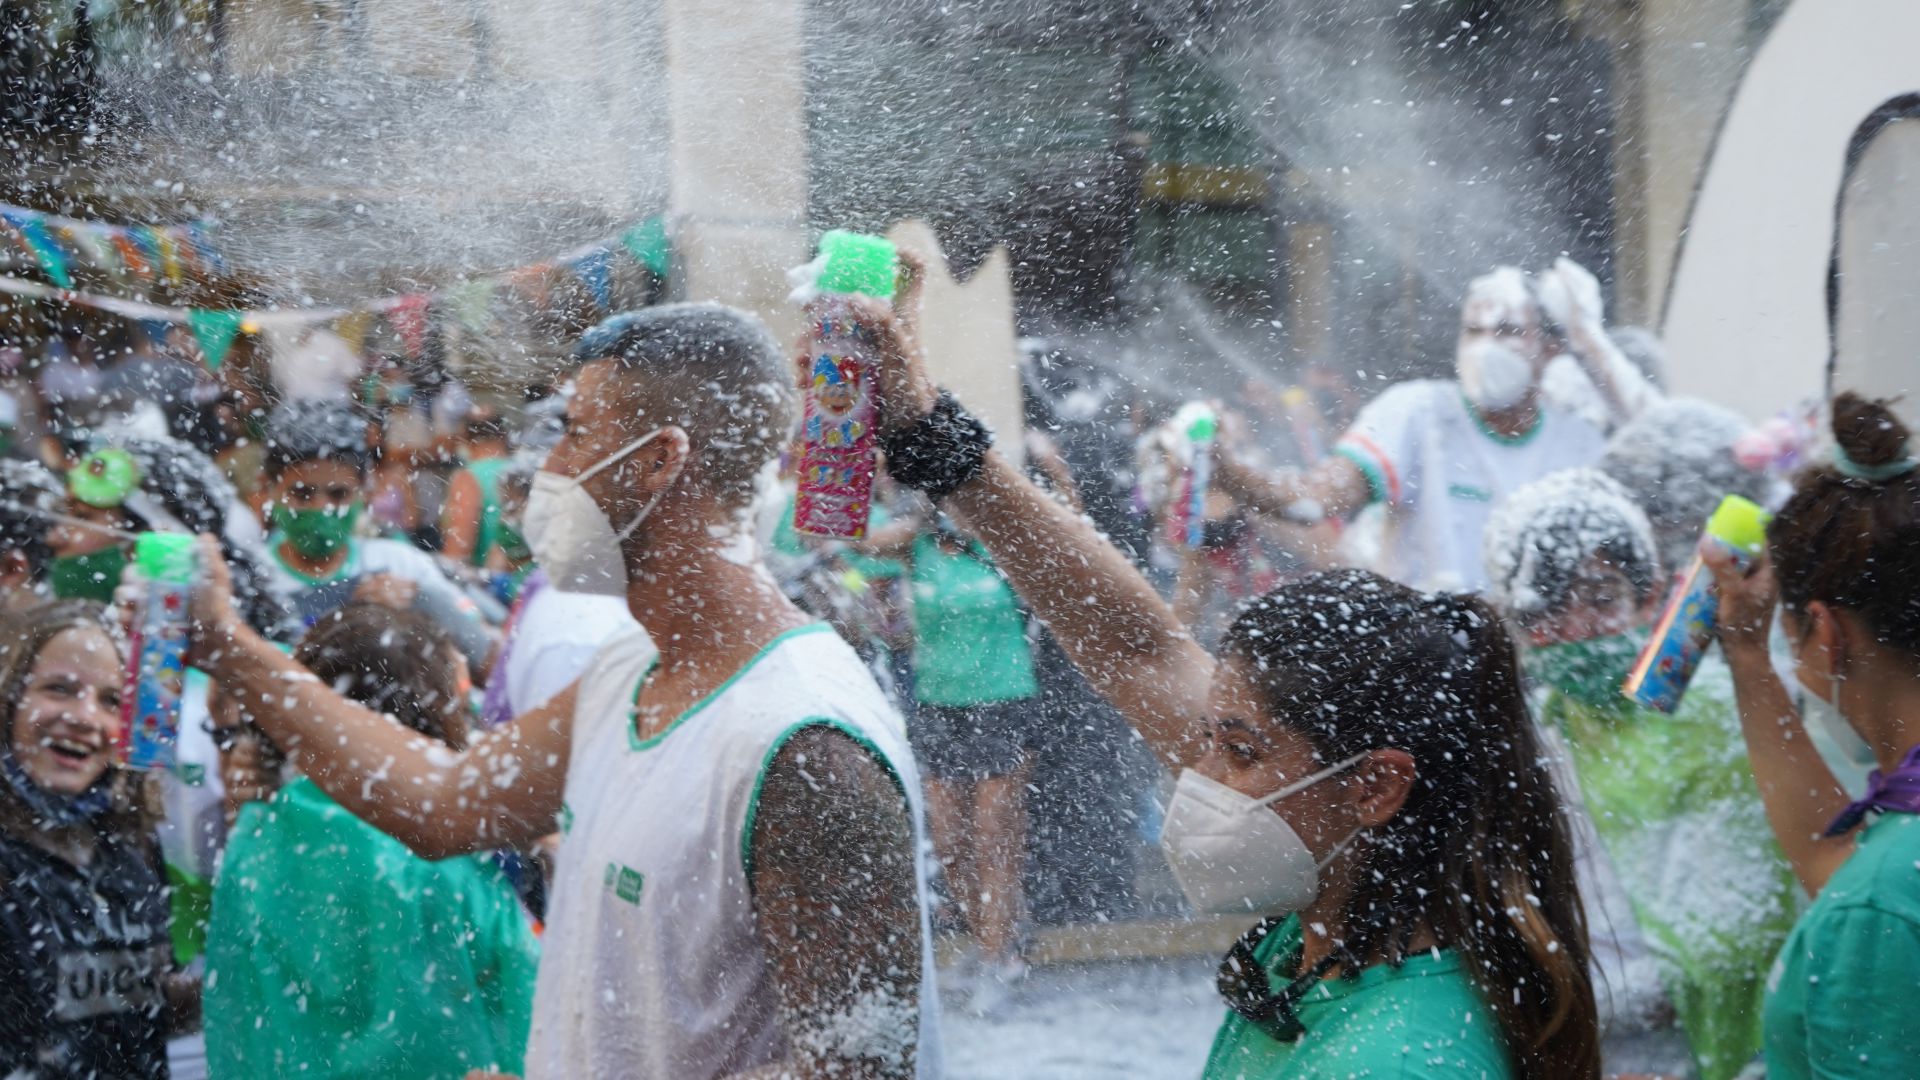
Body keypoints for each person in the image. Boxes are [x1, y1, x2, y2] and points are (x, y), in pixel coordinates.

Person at [854, 261, 1598, 1077]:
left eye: (1238, 750)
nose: (1195, 775)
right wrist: (931, 437)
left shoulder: (1394, 1060)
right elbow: (1133, 643)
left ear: (1376, 787)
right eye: (1209, 737)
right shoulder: (1337, 903)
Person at [188, 303, 939, 1079]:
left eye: (577, 433)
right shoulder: (633, 668)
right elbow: (447, 803)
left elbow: (856, 1074)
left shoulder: (802, 743)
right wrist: (230, 649)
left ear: (660, 461)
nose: (549, 468)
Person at [1486, 468, 1798, 1080]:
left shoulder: (1738, 705)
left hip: (1772, 1035)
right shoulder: (1532, 750)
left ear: (1653, 595)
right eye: (1546, 607)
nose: (1577, 629)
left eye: (1601, 598)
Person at [204, 604, 539, 1079]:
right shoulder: (454, 849)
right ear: (438, 711)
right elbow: (527, 1003)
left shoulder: (255, 839)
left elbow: (233, 1014)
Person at [1707, 393, 1920, 1079]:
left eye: (1791, 642)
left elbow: (1869, 895)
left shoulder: (1881, 907)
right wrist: (1749, 657)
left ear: (1826, 634)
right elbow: (1841, 862)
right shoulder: (1892, 872)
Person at [1215, 261, 1648, 592]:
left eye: (1508, 330)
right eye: (1473, 331)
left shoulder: (1579, 443)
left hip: (1533, 665)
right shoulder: (1417, 411)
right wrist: (1230, 472)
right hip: (1423, 660)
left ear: (1550, 349)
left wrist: (1590, 342)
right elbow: (1318, 497)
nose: (1486, 347)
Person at [0, 602, 196, 1077]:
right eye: (59, 688)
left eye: (112, 701)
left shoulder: (131, 846)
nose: (85, 717)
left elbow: (134, 1009)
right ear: (10, 700)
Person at [256, 398, 499, 673]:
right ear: (268, 489)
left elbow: (490, 660)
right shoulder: (253, 580)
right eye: (302, 494)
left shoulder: (400, 564)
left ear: (365, 491)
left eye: (339, 494)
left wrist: (420, 604)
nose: (321, 508)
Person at [906, 515, 1039, 1007]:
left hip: (1003, 696)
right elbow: (841, 538)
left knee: (993, 834)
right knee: (949, 843)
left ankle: (995, 956)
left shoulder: (1002, 541)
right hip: (938, 702)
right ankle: (996, 937)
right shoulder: (915, 545)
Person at [441, 404, 514, 568]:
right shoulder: (522, 471)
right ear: (504, 434)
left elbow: (459, 548)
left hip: (492, 578)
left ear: (464, 438)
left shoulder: (468, 478)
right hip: (528, 576)